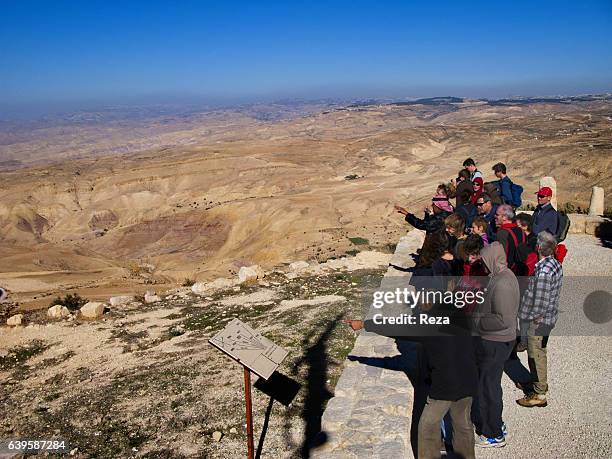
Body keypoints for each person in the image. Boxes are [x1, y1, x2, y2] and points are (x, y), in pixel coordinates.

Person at [467, 242, 520, 448]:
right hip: (496, 341)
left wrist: (478, 321)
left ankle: (493, 433)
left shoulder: (503, 283)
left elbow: (503, 319)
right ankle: (495, 423)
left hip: (495, 342)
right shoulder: (500, 277)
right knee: (490, 385)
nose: (483, 265)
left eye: (485, 260)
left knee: (488, 388)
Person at [516, 232, 563, 408]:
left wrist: (534, 320)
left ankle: (539, 392)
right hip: (548, 317)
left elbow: (541, 300)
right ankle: (536, 382)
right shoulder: (554, 264)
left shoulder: (543, 270)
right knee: (534, 352)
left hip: (539, 322)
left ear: (538, 247)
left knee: (537, 354)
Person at [494, 204, 526, 274]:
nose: (495, 216)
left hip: (507, 271)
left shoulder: (502, 233)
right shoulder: (521, 231)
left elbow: (501, 257)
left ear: (505, 217)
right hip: (521, 270)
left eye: (497, 214)